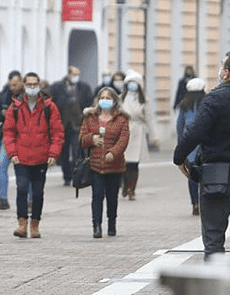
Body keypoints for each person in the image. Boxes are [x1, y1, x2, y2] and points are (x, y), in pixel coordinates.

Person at [173, 50, 230, 261]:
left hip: (215, 177)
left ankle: (215, 289)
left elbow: (193, 132)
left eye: (222, 66)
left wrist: (180, 157)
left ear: (227, 73)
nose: (220, 70)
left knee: (214, 240)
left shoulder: (214, 99)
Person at [3, 72, 64, 239]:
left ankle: (35, 224)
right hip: (21, 157)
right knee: (22, 189)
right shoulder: (15, 106)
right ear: (24, 85)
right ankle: (22, 224)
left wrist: (53, 153)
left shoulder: (49, 107)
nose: (31, 87)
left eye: (34, 84)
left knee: (37, 193)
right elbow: (8, 132)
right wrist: (12, 153)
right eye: (28, 84)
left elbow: (57, 132)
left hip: (41, 157)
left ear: (39, 85)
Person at [79, 87, 130, 238]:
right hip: (95, 165)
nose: (105, 101)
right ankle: (96, 225)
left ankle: (112, 223)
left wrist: (113, 153)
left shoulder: (121, 119)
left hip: (115, 166)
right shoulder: (90, 117)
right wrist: (91, 139)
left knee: (112, 196)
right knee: (97, 195)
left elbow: (124, 139)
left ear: (114, 100)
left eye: (108, 98)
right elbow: (82, 138)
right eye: (103, 98)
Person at [49, 66, 94, 186]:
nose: (76, 77)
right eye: (74, 75)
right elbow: (50, 102)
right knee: (63, 153)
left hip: (78, 125)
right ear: (69, 74)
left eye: (78, 75)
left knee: (76, 152)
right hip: (62, 125)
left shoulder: (84, 87)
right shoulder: (57, 87)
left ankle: (76, 176)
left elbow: (90, 103)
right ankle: (67, 176)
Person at [120, 69, 159, 200]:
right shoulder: (121, 98)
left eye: (134, 83)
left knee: (134, 163)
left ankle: (132, 189)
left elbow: (149, 118)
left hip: (138, 131)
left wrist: (155, 137)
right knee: (123, 162)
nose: (132, 85)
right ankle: (125, 185)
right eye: (130, 83)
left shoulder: (144, 100)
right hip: (124, 131)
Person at [0, 70, 24, 210]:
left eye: (16, 84)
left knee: (24, 169)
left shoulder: (29, 96)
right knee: (2, 166)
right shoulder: (4, 95)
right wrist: (3, 113)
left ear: (21, 82)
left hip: (23, 138)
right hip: (7, 136)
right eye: (11, 85)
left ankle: (28, 200)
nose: (13, 87)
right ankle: (2, 198)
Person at [176, 77, 207, 216]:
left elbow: (179, 125)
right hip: (204, 143)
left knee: (192, 174)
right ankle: (203, 201)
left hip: (190, 144)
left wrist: (181, 144)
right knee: (205, 174)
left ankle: (195, 203)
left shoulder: (184, 104)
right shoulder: (206, 103)